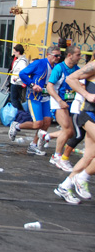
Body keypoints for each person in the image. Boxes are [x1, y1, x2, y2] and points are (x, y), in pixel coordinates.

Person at [54, 59, 95, 204]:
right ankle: (82, 177)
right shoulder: (94, 65)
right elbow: (71, 78)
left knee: (89, 157)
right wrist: (87, 95)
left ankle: (65, 186)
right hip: (88, 113)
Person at [9, 46, 61, 155]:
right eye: (56, 55)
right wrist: (32, 85)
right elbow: (22, 73)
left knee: (46, 123)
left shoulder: (57, 66)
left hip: (47, 97)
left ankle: (34, 145)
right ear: (49, 55)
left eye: (59, 56)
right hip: (35, 96)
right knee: (38, 124)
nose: (58, 58)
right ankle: (17, 126)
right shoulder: (39, 63)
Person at [42, 45, 82, 170]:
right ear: (69, 55)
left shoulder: (77, 69)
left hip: (71, 103)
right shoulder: (59, 68)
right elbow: (49, 86)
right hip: (58, 102)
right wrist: (59, 101)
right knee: (67, 130)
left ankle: (48, 136)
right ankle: (56, 156)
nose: (80, 57)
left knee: (72, 133)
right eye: (78, 55)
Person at [10, 44, 29, 111]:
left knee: (14, 100)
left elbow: (23, 72)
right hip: (16, 82)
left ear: (18, 52)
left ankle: (19, 113)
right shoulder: (20, 60)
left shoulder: (22, 62)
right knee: (16, 100)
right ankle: (20, 113)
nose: (14, 53)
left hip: (17, 83)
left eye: (15, 52)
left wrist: (17, 78)